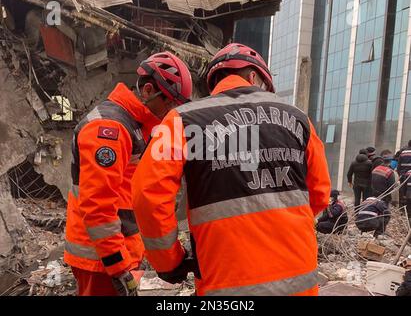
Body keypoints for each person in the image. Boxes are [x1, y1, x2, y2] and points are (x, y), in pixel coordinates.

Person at [131, 43, 331, 296]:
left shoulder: (182, 120)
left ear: (216, 83)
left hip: (225, 284)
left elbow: (147, 195)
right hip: (298, 282)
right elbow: (321, 193)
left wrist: (168, 262)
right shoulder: (300, 119)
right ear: (254, 77)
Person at [64, 52, 193, 296]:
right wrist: (118, 267)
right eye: (169, 104)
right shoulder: (109, 128)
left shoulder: (133, 126)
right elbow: (98, 205)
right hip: (100, 261)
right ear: (147, 91)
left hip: (113, 254)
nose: (170, 114)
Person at [398, 140, 411, 208]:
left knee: (402, 190)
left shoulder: (403, 153)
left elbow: (399, 165)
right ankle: (408, 208)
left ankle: (402, 206)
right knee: (409, 191)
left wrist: (399, 173)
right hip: (410, 175)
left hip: (403, 174)